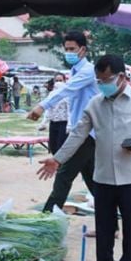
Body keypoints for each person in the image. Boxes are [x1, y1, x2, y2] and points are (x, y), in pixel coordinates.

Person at [37, 54, 131, 261]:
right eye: (99, 80)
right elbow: (78, 134)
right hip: (103, 175)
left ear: (122, 77)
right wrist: (57, 158)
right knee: (104, 225)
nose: (102, 83)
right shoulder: (95, 104)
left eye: (106, 79)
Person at [27, 31, 101, 215]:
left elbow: (65, 91)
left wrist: (41, 107)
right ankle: (111, 224)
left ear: (82, 50)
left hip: (87, 133)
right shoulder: (75, 71)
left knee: (64, 175)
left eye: (72, 49)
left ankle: (46, 219)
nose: (68, 52)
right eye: (66, 49)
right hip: (80, 131)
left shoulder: (87, 71)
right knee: (91, 179)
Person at [41, 77, 69, 155]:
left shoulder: (68, 94)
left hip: (64, 123)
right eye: (56, 81)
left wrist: (69, 125)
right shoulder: (51, 94)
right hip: (53, 122)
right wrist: (44, 122)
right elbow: (48, 109)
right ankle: (56, 164)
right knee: (52, 145)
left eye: (60, 80)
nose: (58, 82)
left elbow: (70, 110)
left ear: (64, 81)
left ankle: (60, 165)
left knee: (61, 145)